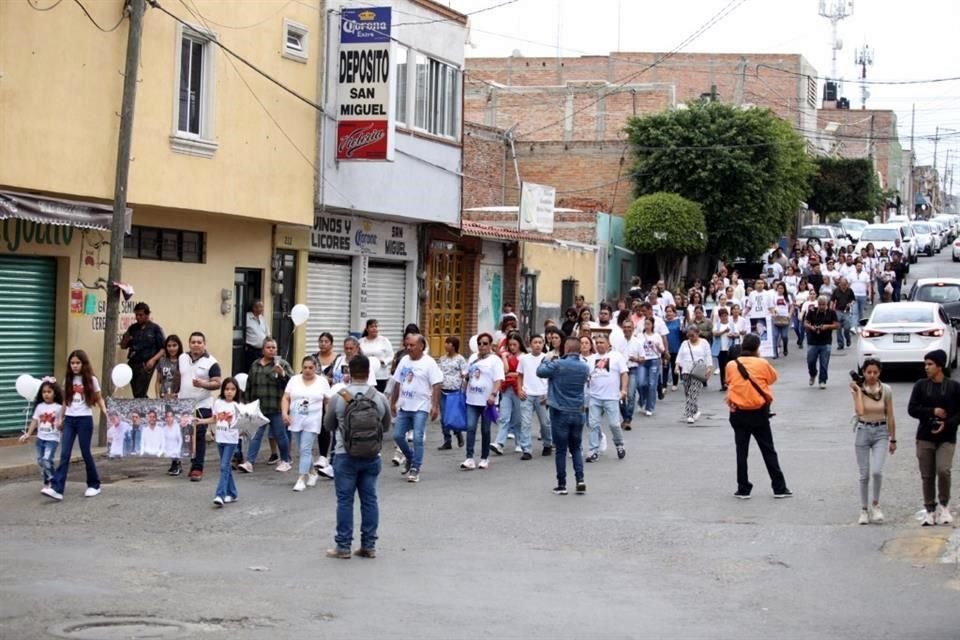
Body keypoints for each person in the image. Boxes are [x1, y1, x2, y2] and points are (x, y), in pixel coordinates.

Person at [323, 354, 391, 559]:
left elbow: (328, 426)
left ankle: (343, 547)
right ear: (369, 372)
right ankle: (368, 545)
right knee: (369, 499)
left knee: (345, 501)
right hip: (372, 455)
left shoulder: (339, 397)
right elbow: (386, 426)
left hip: (345, 454)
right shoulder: (378, 397)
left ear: (349, 373)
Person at [725, 335, 791, 499]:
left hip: (738, 412)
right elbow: (772, 379)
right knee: (768, 450)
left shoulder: (732, 365)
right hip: (758, 412)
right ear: (757, 348)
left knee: (741, 451)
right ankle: (779, 487)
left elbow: (728, 381)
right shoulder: (762, 363)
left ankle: (743, 487)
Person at [42, 350, 107, 501]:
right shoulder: (68, 379)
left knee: (85, 452)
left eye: (78, 363)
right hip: (70, 420)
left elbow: (98, 398)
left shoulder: (91, 379)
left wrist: (104, 410)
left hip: (84, 419)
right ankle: (57, 488)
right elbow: (66, 401)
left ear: (83, 364)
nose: (75, 366)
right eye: (72, 363)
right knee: (65, 454)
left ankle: (94, 484)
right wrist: (60, 418)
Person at [908, 349, 960, 526]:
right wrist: (932, 412)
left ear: (940, 366)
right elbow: (912, 409)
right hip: (925, 436)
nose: (926, 368)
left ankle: (944, 505)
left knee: (943, 470)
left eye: (930, 364)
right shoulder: (921, 385)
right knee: (927, 474)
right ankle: (930, 510)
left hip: (947, 437)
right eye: (925, 364)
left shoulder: (954, 387)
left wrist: (948, 423)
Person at [537, 336, 591, 495]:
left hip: (560, 411)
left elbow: (540, 372)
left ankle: (562, 484)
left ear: (566, 349)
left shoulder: (558, 364)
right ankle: (580, 479)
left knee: (561, 449)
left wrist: (547, 360)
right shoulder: (584, 367)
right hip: (578, 411)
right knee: (576, 447)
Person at [849, 358, 897, 525]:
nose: (871, 375)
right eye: (868, 372)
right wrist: (858, 390)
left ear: (879, 373)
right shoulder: (858, 389)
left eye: (875, 372)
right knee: (864, 474)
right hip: (863, 431)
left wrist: (893, 438)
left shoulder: (886, 390)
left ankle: (875, 505)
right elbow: (860, 411)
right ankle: (863, 509)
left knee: (877, 471)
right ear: (863, 373)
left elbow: (890, 415)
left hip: (881, 432)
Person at [390, 334, 442, 483]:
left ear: (421, 346)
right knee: (398, 436)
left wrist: (435, 406)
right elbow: (398, 382)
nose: (408, 348)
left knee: (418, 437)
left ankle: (415, 467)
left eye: (412, 345)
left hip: (421, 406)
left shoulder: (429, 363)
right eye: (407, 345)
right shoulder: (404, 361)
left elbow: (436, 384)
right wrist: (393, 402)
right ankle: (410, 457)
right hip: (405, 405)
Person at [239, 337, 294, 474]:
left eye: (274, 347)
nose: (271, 350)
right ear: (263, 350)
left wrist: (282, 373)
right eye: (268, 347)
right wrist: (246, 401)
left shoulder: (282, 363)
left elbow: (292, 383)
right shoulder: (255, 364)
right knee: (256, 435)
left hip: (276, 406)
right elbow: (250, 383)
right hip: (259, 407)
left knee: (280, 435)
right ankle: (249, 462)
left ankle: (285, 460)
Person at [177, 332, 222, 481]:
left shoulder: (212, 362)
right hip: (183, 403)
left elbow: (217, 383)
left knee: (200, 435)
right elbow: (179, 376)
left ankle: (197, 467)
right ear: (189, 344)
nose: (196, 344)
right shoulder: (182, 358)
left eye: (199, 342)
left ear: (204, 344)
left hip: (202, 404)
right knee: (184, 435)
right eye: (193, 342)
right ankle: (179, 463)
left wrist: (203, 384)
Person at [283, 355, 330, 492]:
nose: (308, 370)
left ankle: (301, 478)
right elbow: (286, 397)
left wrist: (328, 416)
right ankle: (313, 473)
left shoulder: (322, 382)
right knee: (302, 449)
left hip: (312, 420)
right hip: (296, 418)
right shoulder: (294, 380)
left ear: (316, 368)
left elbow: (327, 401)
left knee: (305, 449)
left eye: (311, 368)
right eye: (305, 368)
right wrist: (284, 413)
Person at [194, 378, 242, 507]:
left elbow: (242, 423)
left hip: (231, 440)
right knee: (225, 467)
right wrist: (201, 421)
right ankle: (233, 493)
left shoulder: (238, 406)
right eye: (227, 389)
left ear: (237, 391)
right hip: (220, 439)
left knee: (223, 466)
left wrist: (242, 430)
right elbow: (214, 418)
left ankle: (220, 495)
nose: (229, 392)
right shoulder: (218, 403)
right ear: (223, 390)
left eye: (232, 389)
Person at [461, 333, 504, 471]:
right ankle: (469, 457)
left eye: (485, 343)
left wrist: (493, 394)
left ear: (490, 345)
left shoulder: (495, 360)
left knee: (485, 429)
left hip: (487, 401)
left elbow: (498, 379)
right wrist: (464, 387)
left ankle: (484, 457)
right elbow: (468, 376)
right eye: (480, 343)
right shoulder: (473, 358)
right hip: (472, 398)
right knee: (470, 427)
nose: (482, 346)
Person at [585, 334, 628, 462]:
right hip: (595, 397)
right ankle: (593, 450)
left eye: (601, 342)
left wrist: (624, 390)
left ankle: (619, 444)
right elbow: (587, 376)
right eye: (597, 343)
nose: (599, 345)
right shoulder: (591, 359)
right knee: (593, 424)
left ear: (608, 344)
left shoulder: (616, 356)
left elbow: (624, 373)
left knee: (614, 424)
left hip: (611, 397)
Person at [20, 379, 63, 491]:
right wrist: (28, 434)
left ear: (55, 393)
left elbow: (62, 422)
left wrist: (61, 425)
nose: (46, 394)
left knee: (46, 459)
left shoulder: (59, 408)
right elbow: (34, 421)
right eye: (44, 392)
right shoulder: (39, 407)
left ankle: (52, 481)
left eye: (49, 392)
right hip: (40, 439)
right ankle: (48, 480)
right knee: (40, 460)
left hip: (52, 439)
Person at [491, 332, 527, 457]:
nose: (512, 347)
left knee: (518, 418)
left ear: (520, 345)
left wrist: (513, 374)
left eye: (514, 344)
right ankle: (499, 443)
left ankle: (520, 442)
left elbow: (523, 374)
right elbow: (504, 370)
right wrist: (505, 358)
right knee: (504, 417)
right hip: (506, 388)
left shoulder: (524, 357)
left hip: (519, 389)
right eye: (510, 345)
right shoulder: (505, 356)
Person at [517, 334, 554, 456]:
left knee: (545, 422)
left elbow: (551, 377)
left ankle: (548, 443)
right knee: (526, 422)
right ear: (530, 344)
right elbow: (520, 375)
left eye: (540, 342)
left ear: (543, 344)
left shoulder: (547, 358)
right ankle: (526, 449)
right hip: (527, 394)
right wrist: (520, 389)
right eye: (535, 342)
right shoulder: (524, 359)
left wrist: (548, 393)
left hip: (542, 394)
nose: (538, 345)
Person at [120, 302, 166, 398]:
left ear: (147, 315)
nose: (138, 317)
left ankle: (143, 410)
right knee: (137, 392)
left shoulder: (155, 328)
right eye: (136, 315)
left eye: (140, 315)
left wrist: (153, 360)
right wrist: (126, 339)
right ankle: (145, 409)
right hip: (133, 363)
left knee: (140, 391)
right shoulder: (133, 328)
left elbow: (163, 349)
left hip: (146, 363)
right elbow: (123, 346)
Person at [676, 326, 713, 424]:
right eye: (689, 336)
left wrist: (709, 368)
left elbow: (708, 355)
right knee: (687, 393)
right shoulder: (685, 343)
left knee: (693, 392)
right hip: (686, 369)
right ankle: (695, 410)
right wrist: (677, 366)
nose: (691, 338)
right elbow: (680, 355)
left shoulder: (704, 343)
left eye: (693, 335)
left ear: (698, 333)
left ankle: (689, 414)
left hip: (698, 370)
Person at [437, 336, 468, 450]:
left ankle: (458, 432)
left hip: (455, 391)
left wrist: (463, 384)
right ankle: (447, 439)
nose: (446, 345)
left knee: (453, 416)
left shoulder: (460, 359)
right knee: (444, 417)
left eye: (448, 343)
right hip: (443, 389)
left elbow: (465, 373)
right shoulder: (442, 359)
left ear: (453, 346)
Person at [803, 296, 839, 389]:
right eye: (820, 304)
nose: (822, 307)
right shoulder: (812, 311)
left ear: (827, 305)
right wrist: (811, 327)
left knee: (824, 362)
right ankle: (812, 374)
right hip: (813, 341)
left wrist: (827, 326)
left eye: (824, 305)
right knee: (810, 361)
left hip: (826, 341)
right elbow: (805, 322)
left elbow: (836, 325)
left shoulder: (831, 313)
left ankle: (822, 380)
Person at [632, 316, 665, 416]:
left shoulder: (657, 336)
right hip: (642, 361)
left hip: (654, 360)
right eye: (645, 324)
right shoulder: (639, 336)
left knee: (652, 384)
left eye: (649, 324)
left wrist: (658, 346)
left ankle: (649, 407)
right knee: (641, 383)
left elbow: (662, 350)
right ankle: (642, 400)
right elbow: (635, 348)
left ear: (652, 325)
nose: (647, 326)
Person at [360, 319, 394, 393]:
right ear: (367, 329)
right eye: (372, 326)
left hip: (380, 375)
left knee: (379, 395)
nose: (374, 328)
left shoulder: (384, 340)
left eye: (376, 326)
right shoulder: (361, 341)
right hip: (366, 374)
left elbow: (391, 356)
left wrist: (383, 361)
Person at [831, 277, 856, 351]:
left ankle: (848, 338)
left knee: (846, 328)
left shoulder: (850, 291)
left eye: (845, 284)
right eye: (842, 284)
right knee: (838, 328)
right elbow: (832, 300)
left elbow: (854, 300)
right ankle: (840, 344)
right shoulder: (836, 291)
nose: (844, 286)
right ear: (840, 284)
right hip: (838, 311)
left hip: (846, 312)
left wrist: (850, 304)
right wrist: (831, 310)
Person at [244, 300, 270, 373]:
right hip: (251, 350)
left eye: (262, 307)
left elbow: (267, 333)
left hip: (262, 350)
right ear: (254, 308)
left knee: (262, 370)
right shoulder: (247, 317)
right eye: (259, 307)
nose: (262, 309)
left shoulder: (262, 318)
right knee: (252, 370)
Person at [156, 335, 183, 401]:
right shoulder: (162, 360)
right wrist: (157, 398)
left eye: (174, 345)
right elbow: (157, 381)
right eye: (169, 346)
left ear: (179, 346)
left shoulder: (183, 361)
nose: (171, 348)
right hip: (164, 397)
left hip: (179, 398)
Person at [770, 282, 792, 359]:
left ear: (784, 289)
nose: (780, 290)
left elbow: (791, 306)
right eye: (779, 288)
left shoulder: (787, 297)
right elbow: (771, 306)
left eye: (782, 288)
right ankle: (775, 353)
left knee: (784, 336)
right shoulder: (774, 296)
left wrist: (790, 314)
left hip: (785, 318)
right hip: (776, 318)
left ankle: (785, 347)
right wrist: (773, 312)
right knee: (775, 336)